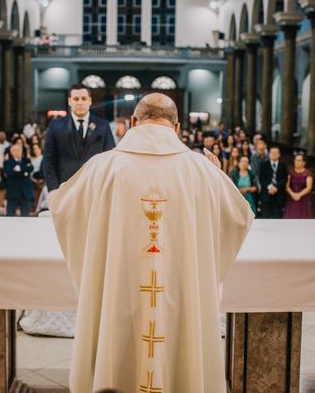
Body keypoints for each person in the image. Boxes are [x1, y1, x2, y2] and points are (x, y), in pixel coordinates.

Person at [47, 93, 254, 393]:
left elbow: (63, 208)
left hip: (119, 292)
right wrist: (218, 179)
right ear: (177, 127)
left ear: (133, 122)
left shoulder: (102, 167)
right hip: (181, 294)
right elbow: (238, 217)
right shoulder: (202, 170)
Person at [43, 83, 115, 191]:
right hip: (64, 188)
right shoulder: (56, 125)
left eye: (83, 98)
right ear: (69, 101)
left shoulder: (103, 126)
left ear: (90, 101)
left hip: (95, 187)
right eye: (76, 99)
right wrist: (54, 190)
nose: (80, 102)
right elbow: (49, 160)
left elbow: (110, 159)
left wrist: (105, 188)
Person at [3, 142, 34, 216]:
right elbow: (10, 173)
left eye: (19, 149)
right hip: (13, 193)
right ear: (11, 152)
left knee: (26, 215)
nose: (17, 151)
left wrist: (19, 169)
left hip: (25, 192)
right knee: (10, 215)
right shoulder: (7, 162)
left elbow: (31, 169)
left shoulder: (26, 160)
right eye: (15, 150)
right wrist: (24, 172)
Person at [258, 146, 288, 218]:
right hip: (266, 194)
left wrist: (276, 187)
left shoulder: (283, 165)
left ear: (279, 154)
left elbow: (285, 179)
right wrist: (270, 187)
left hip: (279, 194)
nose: (274, 154)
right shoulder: (263, 165)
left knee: (277, 216)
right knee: (265, 216)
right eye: (272, 152)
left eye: (276, 153)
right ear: (269, 154)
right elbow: (261, 178)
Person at [284, 153, 313, 219]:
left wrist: (299, 195)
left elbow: (309, 187)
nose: (297, 162)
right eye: (296, 160)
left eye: (300, 160)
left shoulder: (307, 172)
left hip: (303, 198)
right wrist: (292, 194)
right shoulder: (290, 172)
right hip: (291, 197)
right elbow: (287, 185)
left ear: (304, 162)